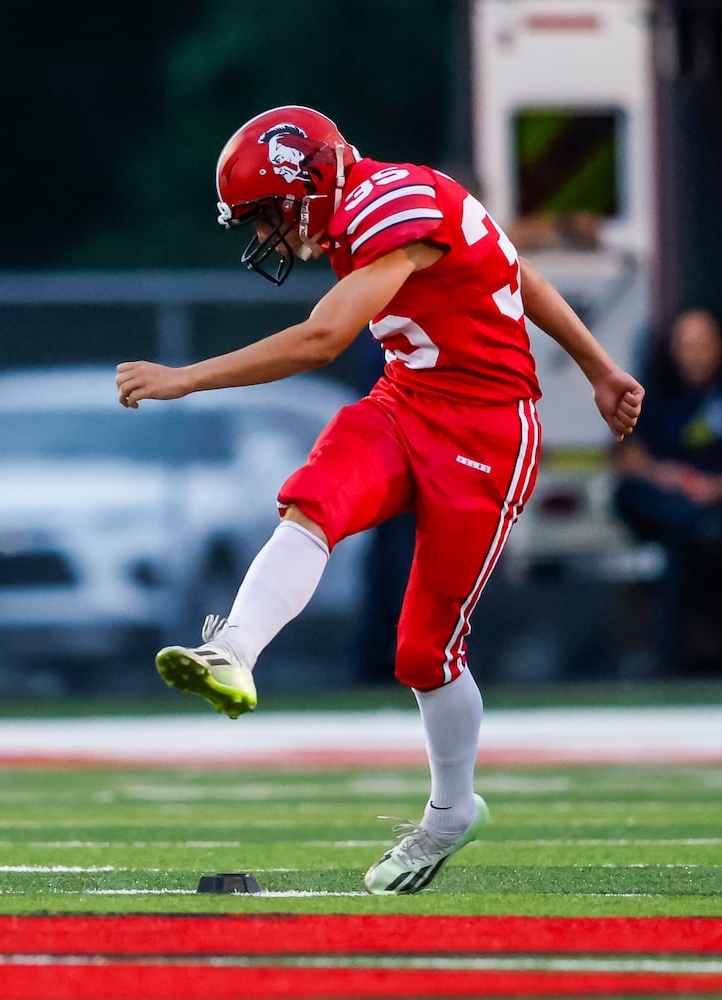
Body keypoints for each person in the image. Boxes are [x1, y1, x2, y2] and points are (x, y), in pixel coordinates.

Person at [115, 106, 643, 895]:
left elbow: (323, 339)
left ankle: (451, 812)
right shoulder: (367, 207)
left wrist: (185, 378)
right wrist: (599, 366)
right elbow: (513, 268)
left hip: (490, 431)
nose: (265, 233)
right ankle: (235, 649)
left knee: (423, 653)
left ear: (307, 181)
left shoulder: (391, 203)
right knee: (315, 497)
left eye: (266, 212)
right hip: (408, 400)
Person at [611, 307, 722, 674]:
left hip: (712, 504)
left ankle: (675, 659)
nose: (696, 356)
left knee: (694, 532)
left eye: (703, 346)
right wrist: (667, 476)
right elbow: (625, 456)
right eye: (687, 346)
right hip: (664, 503)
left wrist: (711, 487)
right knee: (679, 522)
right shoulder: (650, 392)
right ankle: (670, 659)